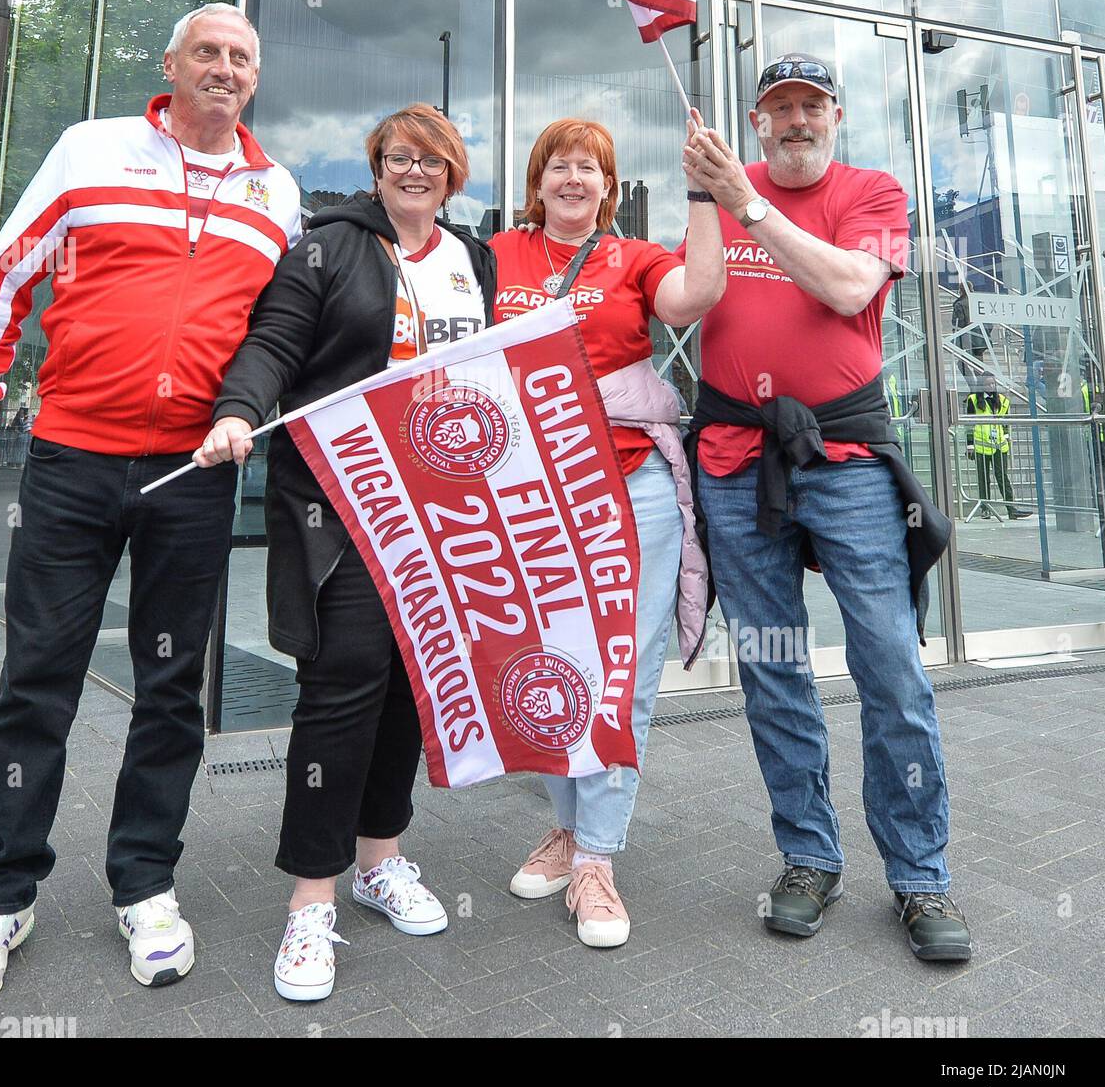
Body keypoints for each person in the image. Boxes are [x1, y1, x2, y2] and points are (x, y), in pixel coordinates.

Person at [0, 5, 301, 1012]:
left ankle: (144, 882)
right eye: (209, 53)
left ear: (255, 79)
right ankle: (1, 897)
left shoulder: (277, 194)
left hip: (194, 479)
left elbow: (285, 329)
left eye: (242, 58)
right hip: (69, 463)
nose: (225, 69)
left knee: (172, 686)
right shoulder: (92, 151)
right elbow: (3, 279)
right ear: (172, 62)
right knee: (37, 679)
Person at [196, 104, 494, 1002]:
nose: (415, 171)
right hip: (349, 502)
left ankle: (381, 860)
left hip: (448, 508)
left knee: (414, 679)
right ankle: (309, 903)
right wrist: (239, 410)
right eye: (399, 157)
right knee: (347, 680)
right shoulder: (326, 246)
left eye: (433, 160)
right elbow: (276, 344)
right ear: (376, 168)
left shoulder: (471, 257)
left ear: (453, 174)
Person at [680, 52, 971, 962]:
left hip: (844, 461)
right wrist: (705, 197)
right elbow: (687, 298)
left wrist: (748, 204)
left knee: (889, 663)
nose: (796, 120)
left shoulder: (875, 192)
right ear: (758, 121)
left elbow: (848, 287)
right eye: (780, 108)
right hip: (733, 458)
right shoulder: (718, 190)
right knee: (771, 666)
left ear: (834, 117)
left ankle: (920, 877)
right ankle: (808, 857)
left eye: (812, 106)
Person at [489, 114, 725, 948]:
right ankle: (564, 829)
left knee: (624, 670)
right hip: (536, 495)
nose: (573, 180)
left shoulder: (633, 258)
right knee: (551, 663)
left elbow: (697, 296)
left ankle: (597, 858)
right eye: (558, 166)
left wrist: (702, 192)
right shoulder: (499, 258)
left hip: (632, 489)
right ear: (537, 181)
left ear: (609, 187)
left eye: (589, 169)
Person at [965, 372, 1030, 519]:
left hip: (999, 445)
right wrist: (970, 445)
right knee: (983, 478)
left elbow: (1005, 421)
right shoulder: (973, 400)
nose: (991, 386)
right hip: (981, 445)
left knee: (1002, 477)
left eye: (993, 383)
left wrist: (1006, 437)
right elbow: (969, 424)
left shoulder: (1002, 400)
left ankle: (1011, 508)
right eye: (988, 384)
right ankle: (985, 508)